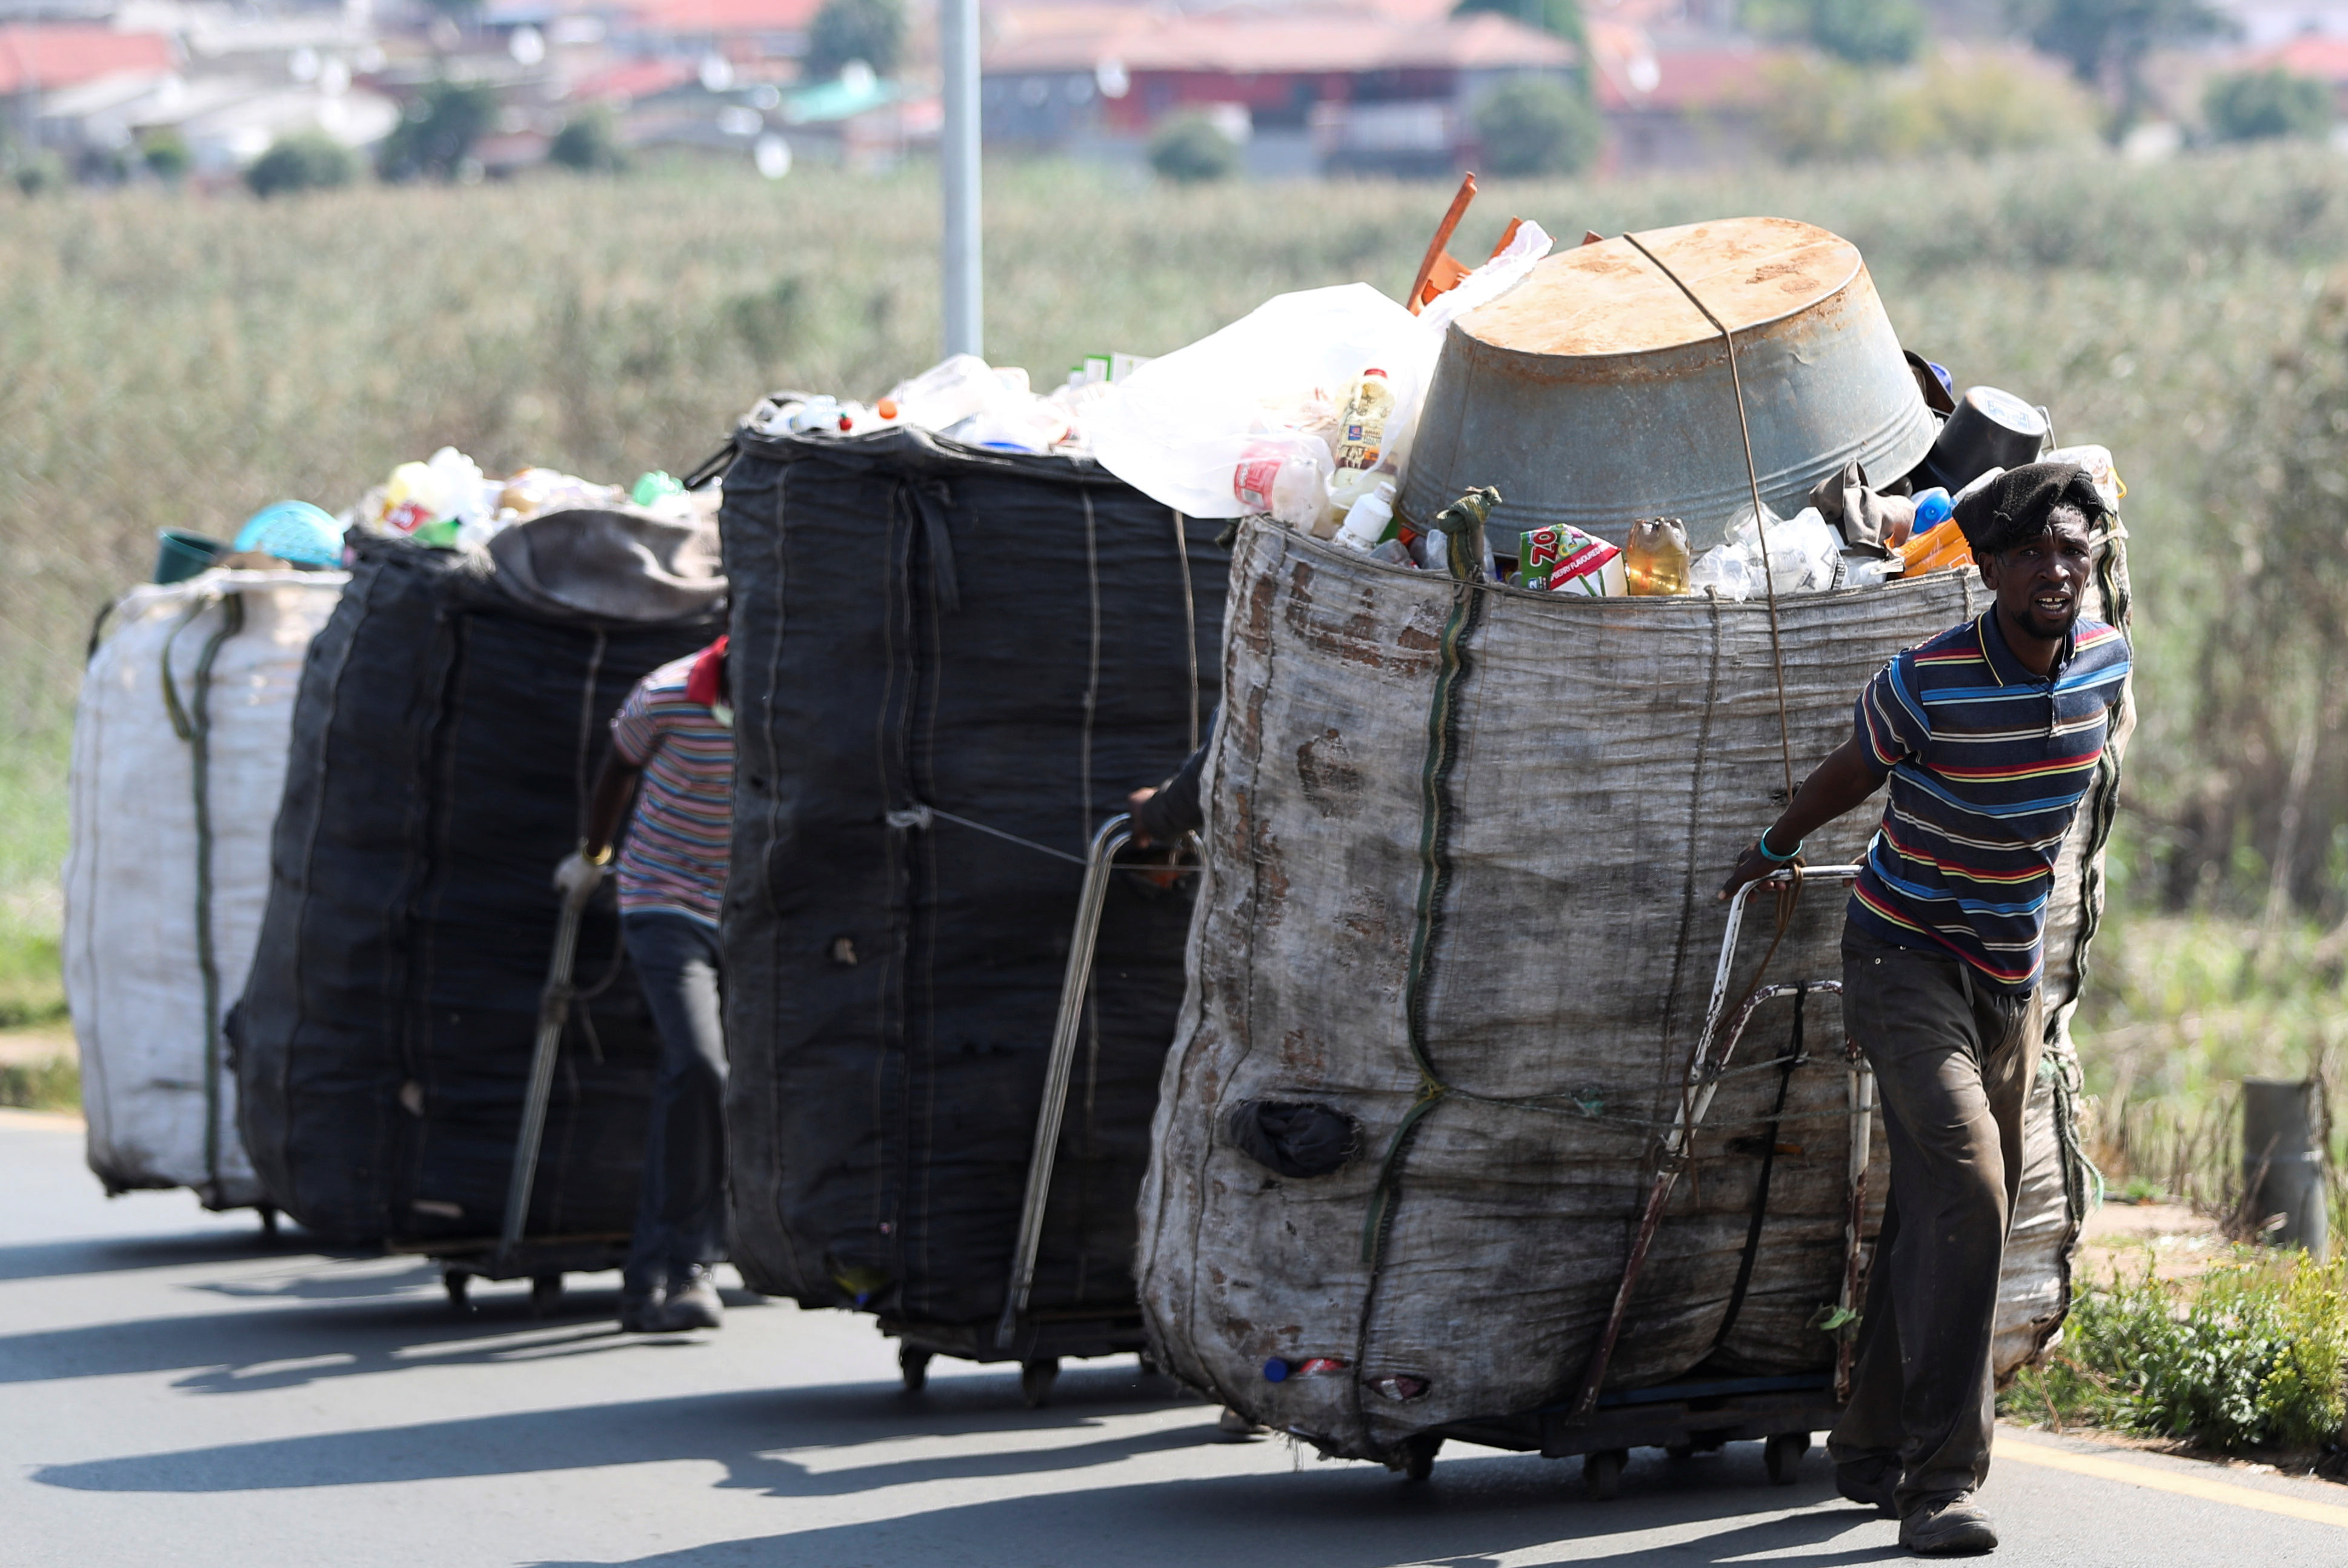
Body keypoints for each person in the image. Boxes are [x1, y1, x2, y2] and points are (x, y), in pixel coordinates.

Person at [1717, 463, 2129, 1557]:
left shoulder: (2107, 662)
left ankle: (1865, 1444)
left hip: (2009, 978)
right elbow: (1852, 774)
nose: (2055, 571)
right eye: (2032, 554)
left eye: (2073, 554)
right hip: (1903, 958)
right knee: (1974, 1189)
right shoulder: (1925, 679)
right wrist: (1772, 845)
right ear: (1986, 568)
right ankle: (1940, 1482)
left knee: (1929, 1213)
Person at [556, 635, 736, 1335]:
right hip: (663, 899)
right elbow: (618, 768)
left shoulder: (793, 695)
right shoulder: (666, 694)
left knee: (699, 1084)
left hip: (747, 907)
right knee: (698, 1064)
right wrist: (593, 856)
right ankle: (688, 1262)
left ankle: (650, 1276)